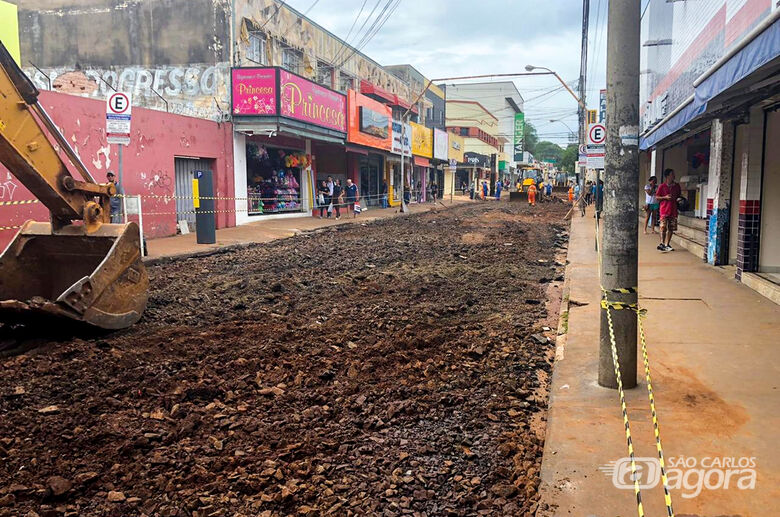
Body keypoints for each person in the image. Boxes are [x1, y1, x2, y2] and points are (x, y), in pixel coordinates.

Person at [656, 168, 681, 252]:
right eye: (672, 174)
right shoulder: (662, 186)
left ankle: (667, 244)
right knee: (663, 227)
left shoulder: (677, 186)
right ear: (667, 176)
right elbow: (657, 197)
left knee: (671, 228)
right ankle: (662, 243)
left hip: (673, 210)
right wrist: (665, 197)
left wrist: (678, 199)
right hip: (664, 210)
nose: (674, 176)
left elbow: (679, 195)